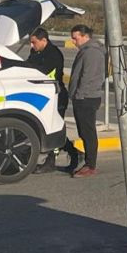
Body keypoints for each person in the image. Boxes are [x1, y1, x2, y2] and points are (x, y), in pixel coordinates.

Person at [25, 26, 78, 172]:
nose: (32, 45)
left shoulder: (53, 54)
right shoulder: (35, 52)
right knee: (49, 129)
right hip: (42, 96)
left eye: (34, 42)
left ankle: (51, 161)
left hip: (56, 96)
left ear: (44, 40)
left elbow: (41, 72)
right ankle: (74, 152)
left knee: (53, 128)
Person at [68, 23, 107, 177]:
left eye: (75, 38)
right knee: (84, 132)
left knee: (88, 132)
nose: (73, 41)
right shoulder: (87, 51)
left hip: (87, 98)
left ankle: (91, 165)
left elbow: (88, 77)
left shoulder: (92, 52)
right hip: (83, 97)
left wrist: (79, 95)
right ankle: (88, 161)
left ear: (85, 37)